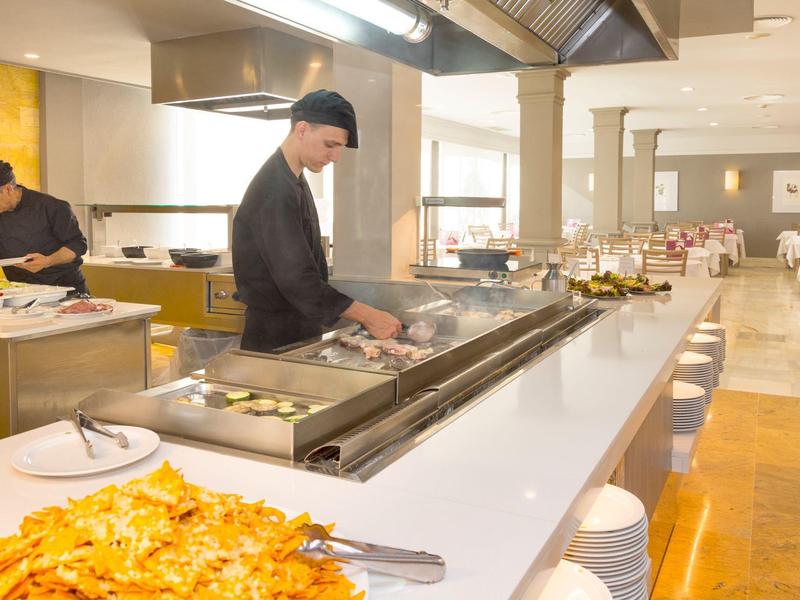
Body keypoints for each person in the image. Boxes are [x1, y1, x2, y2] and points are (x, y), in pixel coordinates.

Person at [233, 89, 401, 353]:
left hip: (297, 328)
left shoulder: (294, 179)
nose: (336, 157)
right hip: (274, 337)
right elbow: (298, 280)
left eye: (339, 148)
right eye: (330, 144)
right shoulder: (274, 188)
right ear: (302, 130)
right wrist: (368, 316)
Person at [0, 161, 89, 293]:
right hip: (20, 292)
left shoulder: (52, 207)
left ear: (8, 189)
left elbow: (77, 245)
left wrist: (48, 261)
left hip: (64, 289)